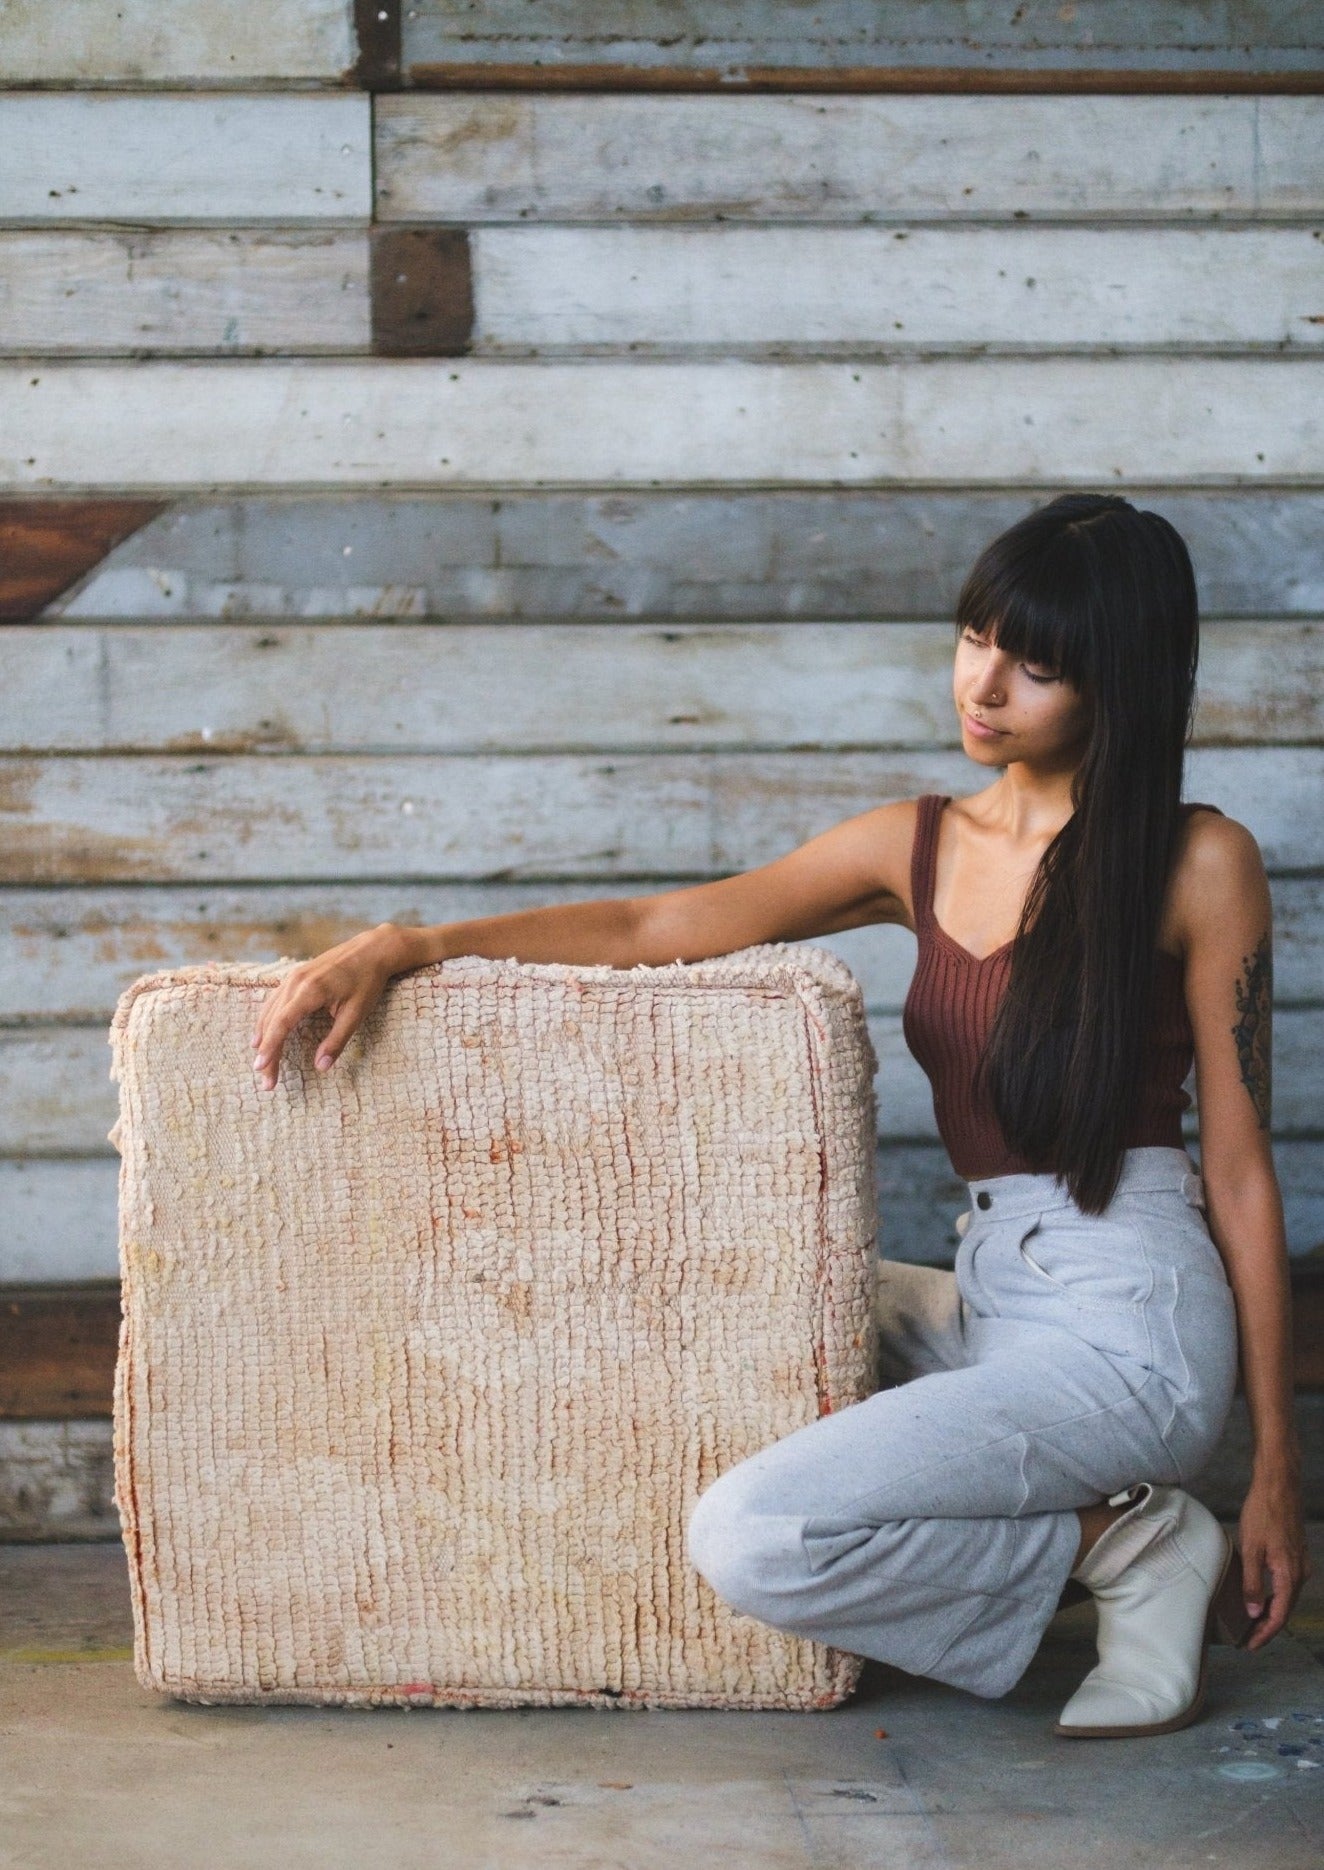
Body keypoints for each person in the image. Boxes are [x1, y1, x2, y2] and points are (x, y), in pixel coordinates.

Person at [247, 492, 1308, 1737]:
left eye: (1037, 666)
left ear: (1113, 683)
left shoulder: (1197, 861)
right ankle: (1106, 1537)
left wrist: (1280, 1460)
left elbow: (1238, 1171)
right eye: (976, 637)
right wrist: (412, 942)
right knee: (710, 1302)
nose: (984, 685)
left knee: (752, 1536)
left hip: (1129, 1317)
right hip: (988, 1294)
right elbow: (660, 926)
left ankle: (1121, 1545)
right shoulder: (916, 844)